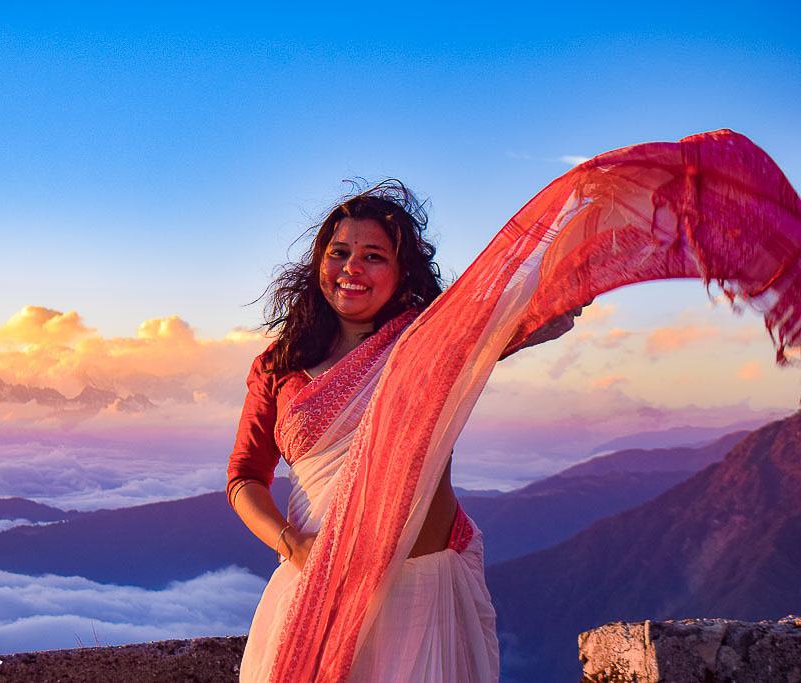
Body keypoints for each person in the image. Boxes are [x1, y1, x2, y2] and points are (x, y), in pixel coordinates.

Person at [227, 130, 800, 682]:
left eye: (373, 255)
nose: (351, 267)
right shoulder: (278, 366)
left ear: (401, 273)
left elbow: (539, 309)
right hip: (314, 588)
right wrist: (292, 544)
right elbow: (244, 478)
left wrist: (594, 222)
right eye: (339, 251)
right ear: (317, 263)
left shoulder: (431, 340)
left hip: (419, 597)